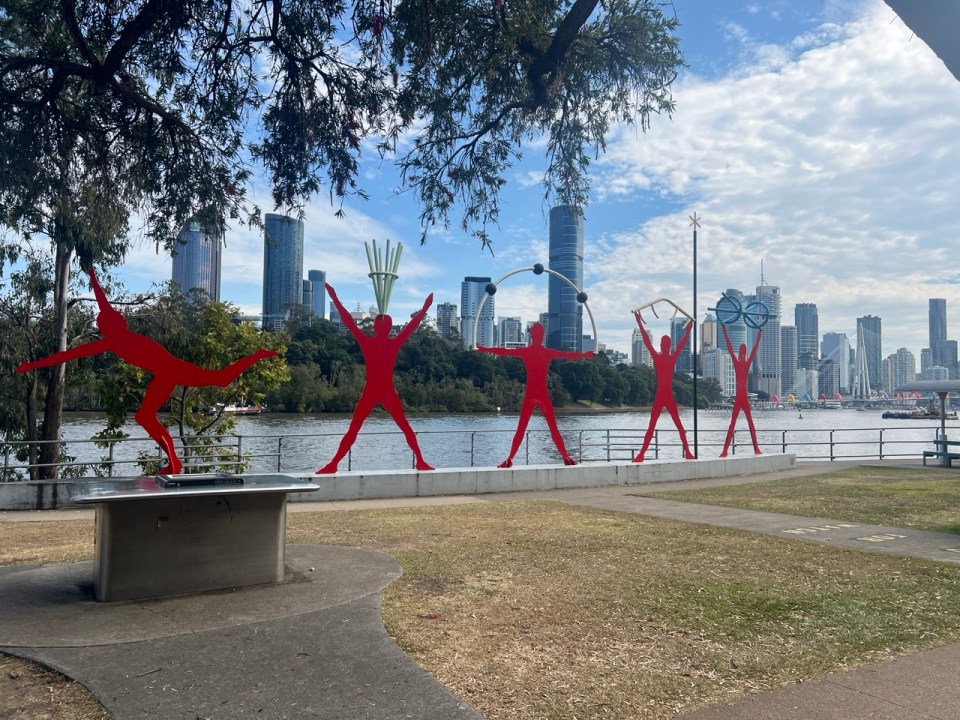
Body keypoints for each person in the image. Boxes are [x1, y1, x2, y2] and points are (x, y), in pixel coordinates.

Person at [16, 267, 276, 475]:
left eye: (104, 323)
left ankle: (256, 355)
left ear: (113, 325)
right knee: (146, 416)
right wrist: (93, 276)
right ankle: (174, 462)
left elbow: (71, 348)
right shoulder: (115, 337)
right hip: (165, 374)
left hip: (171, 369)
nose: (103, 324)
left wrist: (31, 365)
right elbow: (91, 319)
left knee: (220, 380)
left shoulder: (114, 339)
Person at [316, 283, 434, 473]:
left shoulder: (368, 342)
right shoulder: (391, 343)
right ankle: (420, 461)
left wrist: (336, 298)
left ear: (377, 327)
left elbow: (348, 321)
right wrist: (425, 307)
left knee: (355, 430)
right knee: (404, 427)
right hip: (383, 391)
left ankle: (333, 464)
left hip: (374, 390)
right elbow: (411, 327)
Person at [477, 322, 593, 468]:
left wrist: (485, 349)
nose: (538, 335)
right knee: (548, 427)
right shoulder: (543, 352)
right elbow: (567, 355)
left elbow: (504, 351)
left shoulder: (531, 352)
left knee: (527, 428)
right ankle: (563, 456)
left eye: (539, 333)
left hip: (534, 394)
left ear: (534, 335)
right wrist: (584, 355)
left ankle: (513, 459)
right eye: (538, 333)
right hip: (539, 393)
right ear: (537, 335)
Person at [633, 312, 695, 462]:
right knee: (672, 425)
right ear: (664, 346)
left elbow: (647, 341)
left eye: (665, 345)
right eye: (665, 345)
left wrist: (639, 321)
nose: (665, 346)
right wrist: (689, 329)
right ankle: (686, 452)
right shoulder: (669, 357)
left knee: (658, 426)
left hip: (663, 396)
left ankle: (687, 452)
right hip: (664, 396)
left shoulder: (659, 356)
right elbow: (680, 343)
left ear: (663, 346)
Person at [720, 324, 762, 456]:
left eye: (743, 351)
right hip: (740, 397)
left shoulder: (741, 362)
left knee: (745, 423)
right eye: (742, 351)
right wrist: (724, 330)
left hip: (741, 397)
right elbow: (731, 347)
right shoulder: (741, 362)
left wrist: (724, 330)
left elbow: (751, 349)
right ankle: (726, 450)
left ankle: (755, 449)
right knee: (737, 424)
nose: (743, 353)